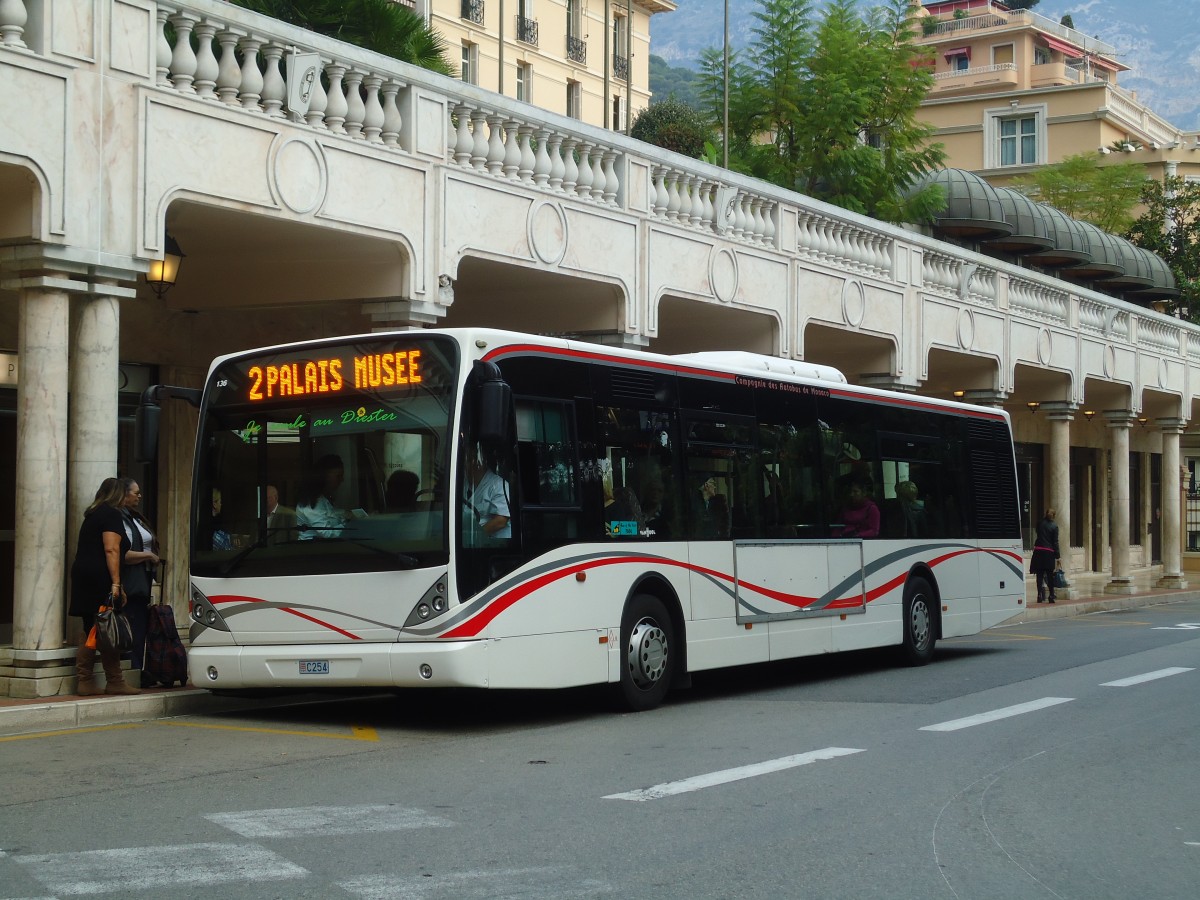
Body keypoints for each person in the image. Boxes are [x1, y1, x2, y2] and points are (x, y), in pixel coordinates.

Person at [69, 478, 139, 695]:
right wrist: (116, 584)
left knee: (93, 626)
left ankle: (88, 680)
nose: (135, 496)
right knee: (106, 625)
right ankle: (112, 680)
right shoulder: (111, 514)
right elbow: (112, 550)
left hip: (85, 575)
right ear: (119, 494)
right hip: (100, 577)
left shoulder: (94, 513)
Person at [119, 477, 160, 683]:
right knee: (131, 625)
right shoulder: (120, 518)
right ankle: (132, 669)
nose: (140, 496)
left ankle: (138, 668)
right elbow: (122, 553)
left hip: (142, 580)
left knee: (139, 626)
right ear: (124, 494)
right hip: (131, 582)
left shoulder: (134, 517)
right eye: (136, 492)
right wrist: (148, 556)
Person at [296, 454, 351, 540]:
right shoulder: (311, 501)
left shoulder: (324, 498)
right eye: (338, 476)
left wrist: (348, 515)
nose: (342, 479)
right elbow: (326, 533)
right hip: (312, 549)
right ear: (325, 476)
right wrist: (350, 525)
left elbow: (333, 518)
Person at [464, 451, 510, 541]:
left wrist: (475, 536)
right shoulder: (463, 482)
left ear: (479, 463)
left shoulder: (499, 485)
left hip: (494, 543)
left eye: (470, 460)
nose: (466, 464)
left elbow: (501, 521)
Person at [1031, 507, 1061, 603]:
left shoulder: (1039, 523)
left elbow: (1038, 533)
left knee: (1039, 575)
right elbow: (1055, 542)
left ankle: (1039, 595)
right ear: (1054, 516)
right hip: (1048, 552)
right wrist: (1058, 556)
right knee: (1049, 575)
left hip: (1038, 551)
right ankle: (1051, 595)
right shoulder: (1054, 526)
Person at [838, 473, 879, 539]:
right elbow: (838, 527)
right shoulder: (846, 508)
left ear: (864, 493)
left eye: (855, 492)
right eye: (851, 492)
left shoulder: (872, 509)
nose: (851, 495)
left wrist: (857, 536)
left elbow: (874, 531)